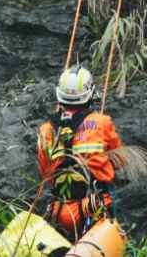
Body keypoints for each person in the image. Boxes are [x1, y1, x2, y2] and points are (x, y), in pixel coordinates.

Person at [37, 66, 123, 239]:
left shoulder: (46, 130)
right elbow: (119, 159)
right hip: (94, 207)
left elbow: (45, 172)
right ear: (89, 94)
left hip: (59, 211)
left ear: (59, 95)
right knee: (111, 189)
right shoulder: (101, 122)